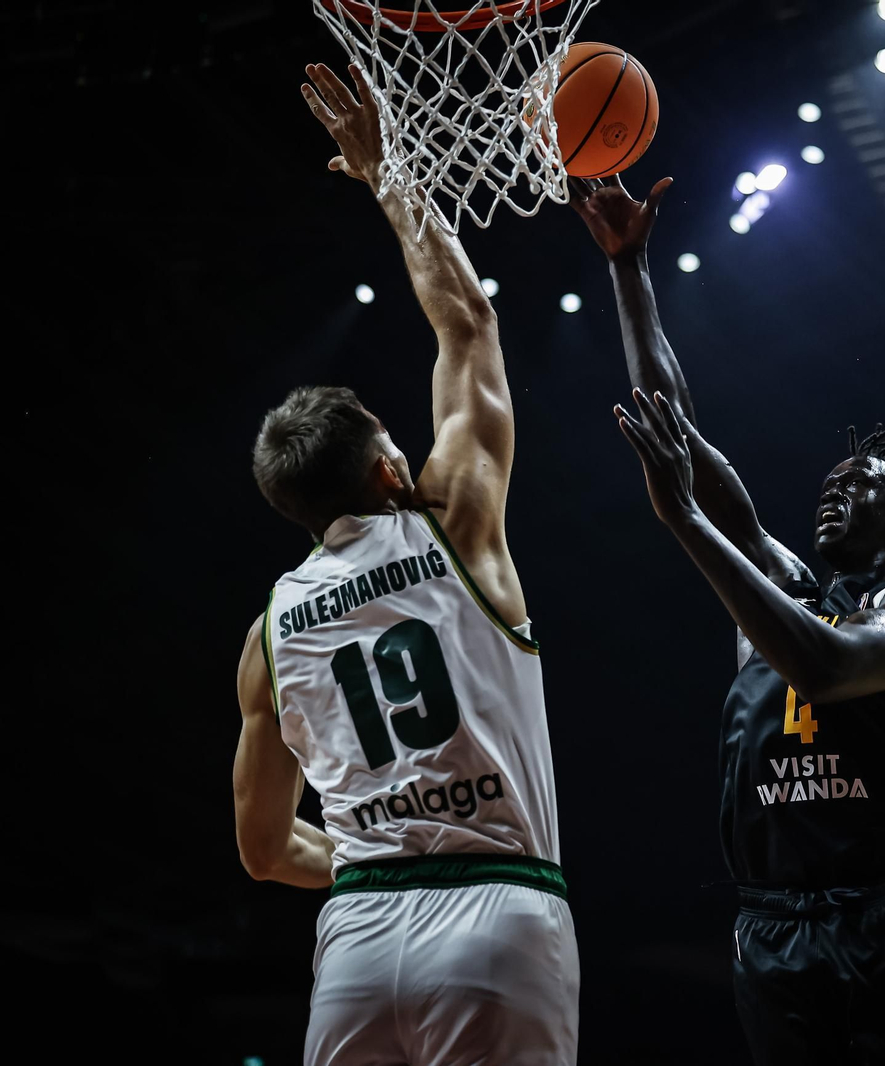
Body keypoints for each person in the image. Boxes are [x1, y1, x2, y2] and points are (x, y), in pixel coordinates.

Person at [572, 176, 885, 1065]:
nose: (837, 485)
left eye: (863, 481)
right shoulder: (779, 577)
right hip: (772, 923)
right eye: (832, 478)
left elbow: (826, 671)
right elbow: (672, 424)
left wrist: (685, 522)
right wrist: (630, 269)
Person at [232, 63, 577, 1065]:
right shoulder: (454, 528)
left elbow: (261, 850)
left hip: (356, 943)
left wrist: (381, 852)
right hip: (498, 915)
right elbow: (468, 325)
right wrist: (392, 176)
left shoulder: (268, 632)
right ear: (391, 468)